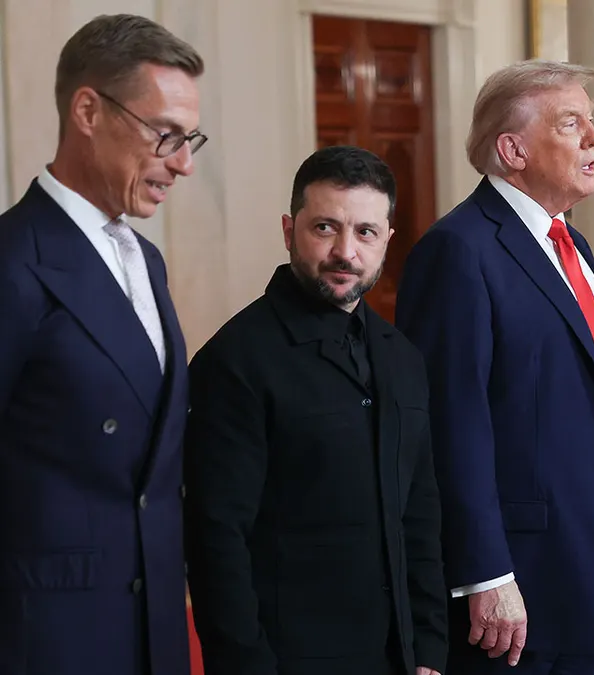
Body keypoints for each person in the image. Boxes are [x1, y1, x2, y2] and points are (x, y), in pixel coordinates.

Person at [393, 60, 594, 675]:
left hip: (583, 566)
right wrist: (485, 573)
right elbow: (450, 421)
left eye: (590, 122)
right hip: (512, 591)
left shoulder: (566, 243)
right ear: (513, 150)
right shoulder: (459, 249)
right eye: (572, 124)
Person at [184, 146, 447, 675]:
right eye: (325, 227)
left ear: (387, 240)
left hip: (398, 657)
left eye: (366, 232)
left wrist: (428, 649)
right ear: (289, 231)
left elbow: (419, 515)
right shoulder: (234, 359)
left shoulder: (403, 358)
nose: (345, 252)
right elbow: (216, 539)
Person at [0, 14, 204, 675]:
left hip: (155, 626)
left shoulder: (147, 260)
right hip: (54, 636)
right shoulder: (12, 259)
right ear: (88, 111)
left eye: (189, 139)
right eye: (164, 134)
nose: (183, 163)